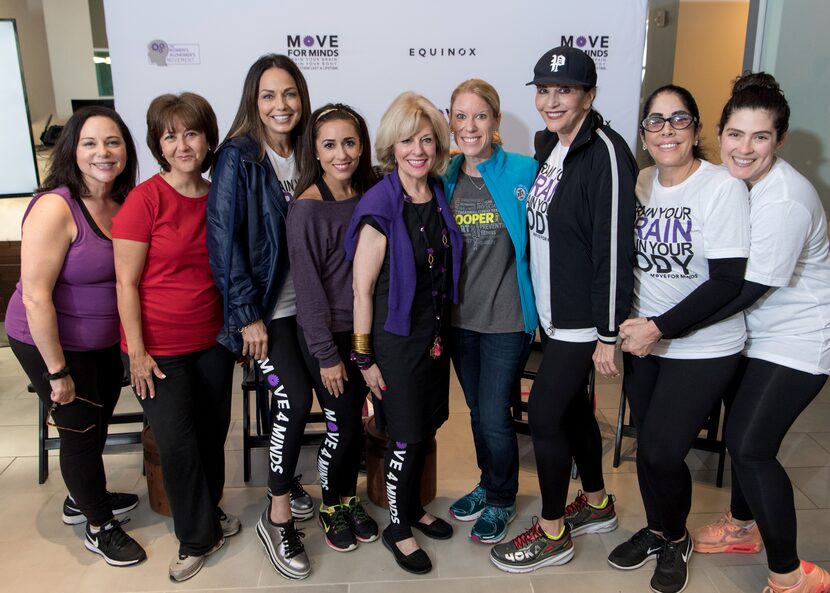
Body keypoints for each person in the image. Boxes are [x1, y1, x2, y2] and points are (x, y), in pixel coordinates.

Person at [490, 46, 635, 573]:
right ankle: (596, 502)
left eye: (565, 91)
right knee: (572, 410)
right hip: (552, 315)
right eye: (544, 90)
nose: (551, 101)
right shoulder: (550, 143)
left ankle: (553, 532)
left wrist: (608, 332)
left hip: (582, 321)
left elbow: (614, 247)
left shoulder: (608, 154)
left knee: (546, 414)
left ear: (589, 95)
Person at [688, 73, 830, 593]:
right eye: (735, 134)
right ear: (720, 132)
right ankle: (743, 528)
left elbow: (743, 290)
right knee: (740, 433)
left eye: (760, 137)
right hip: (754, 334)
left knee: (750, 445)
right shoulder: (734, 184)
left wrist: (668, 328)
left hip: (798, 338)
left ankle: (792, 576)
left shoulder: (786, 197)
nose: (743, 148)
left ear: (780, 139)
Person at [607, 85, 750, 593]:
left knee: (664, 452)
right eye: (655, 121)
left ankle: (675, 539)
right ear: (644, 133)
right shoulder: (642, 182)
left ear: (695, 128)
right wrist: (623, 328)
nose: (666, 130)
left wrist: (658, 327)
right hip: (646, 341)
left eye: (679, 119)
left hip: (704, 345)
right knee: (648, 446)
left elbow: (729, 282)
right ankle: (656, 527)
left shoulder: (721, 187)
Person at [5, 106, 146, 566]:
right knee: (79, 431)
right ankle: (99, 526)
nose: (103, 153)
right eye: (90, 143)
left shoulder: (122, 201)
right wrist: (57, 371)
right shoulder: (55, 207)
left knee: (98, 417)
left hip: (101, 342)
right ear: (72, 150)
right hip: (51, 342)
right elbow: (35, 297)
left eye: (113, 142)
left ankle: (81, 499)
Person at [113, 93, 238, 582]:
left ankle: (211, 511)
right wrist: (137, 353)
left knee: (211, 436)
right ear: (158, 144)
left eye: (191, 133)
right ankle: (194, 538)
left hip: (213, 341)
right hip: (158, 349)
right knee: (178, 444)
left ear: (208, 138)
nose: (182, 144)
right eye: (170, 135)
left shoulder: (220, 196)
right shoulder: (144, 201)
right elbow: (125, 283)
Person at [206, 53, 314, 581]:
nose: (280, 105)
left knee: (312, 399)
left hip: (311, 309)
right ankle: (275, 517)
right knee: (292, 397)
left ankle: (288, 479)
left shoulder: (312, 149)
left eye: (289, 93)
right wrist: (247, 314)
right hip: (267, 314)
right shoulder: (238, 158)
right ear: (254, 100)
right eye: (269, 95)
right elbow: (224, 243)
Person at [344, 92, 463, 575]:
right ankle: (398, 527)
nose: (418, 149)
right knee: (406, 438)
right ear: (392, 145)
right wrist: (364, 359)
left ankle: (412, 508)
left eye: (428, 139)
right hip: (395, 344)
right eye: (408, 140)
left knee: (425, 429)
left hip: (433, 337)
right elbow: (361, 291)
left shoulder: (435, 193)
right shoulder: (380, 205)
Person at [441, 79, 538, 544]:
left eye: (480, 116)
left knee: (497, 414)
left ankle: (501, 498)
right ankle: (487, 482)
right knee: (478, 413)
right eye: (461, 116)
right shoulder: (444, 176)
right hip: (460, 320)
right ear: (450, 122)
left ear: (496, 122)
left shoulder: (524, 170)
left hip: (507, 319)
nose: (470, 126)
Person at [287, 103, 379, 553]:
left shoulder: (374, 190)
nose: (341, 154)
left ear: (362, 146)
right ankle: (330, 505)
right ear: (315, 151)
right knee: (341, 425)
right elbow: (307, 292)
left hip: (367, 330)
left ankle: (349, 498)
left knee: (357, 426)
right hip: (328, 336)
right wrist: (326, 356)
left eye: (349, 142)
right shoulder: (305, 210)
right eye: (330, 145)